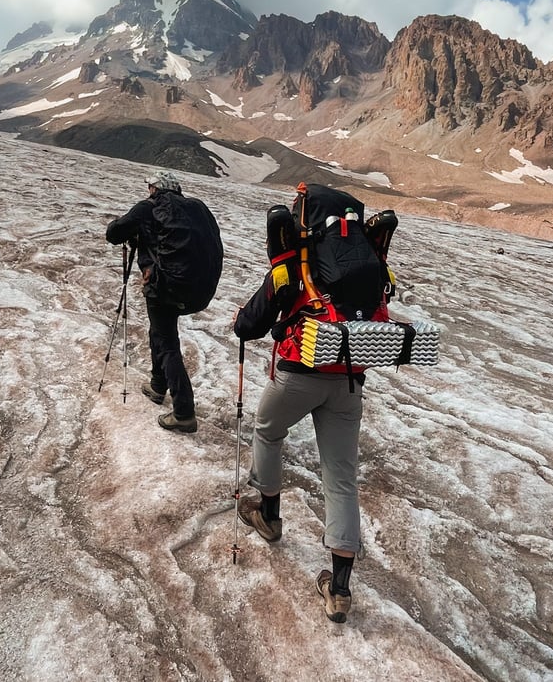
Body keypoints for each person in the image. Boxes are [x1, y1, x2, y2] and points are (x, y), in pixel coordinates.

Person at [233, 200, 370, 625]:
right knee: (341, 475)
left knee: (268, 432)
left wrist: (244, 320)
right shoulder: (366, 262)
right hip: (348, 381)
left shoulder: (295, 264)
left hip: (297, 374)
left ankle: (269, 516)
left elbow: (250, 323)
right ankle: (340, 589)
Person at [105, 170, 222, 434]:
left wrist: (127, 229)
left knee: (167, 342)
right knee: (159, 331)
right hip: (199, 290)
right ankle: (158, 385)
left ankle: (184, 412)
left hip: (165, 288)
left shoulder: (149, 208)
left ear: (155, 189)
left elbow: (113, 233)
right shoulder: (197, 208)